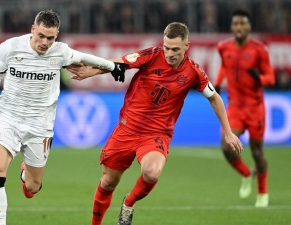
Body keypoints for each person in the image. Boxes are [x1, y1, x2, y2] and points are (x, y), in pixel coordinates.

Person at [67, 22, 244, 225]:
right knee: (108, 182)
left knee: (151, 173)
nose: (169, 53)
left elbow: (215, 98)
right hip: (127, 128)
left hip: (156, 134)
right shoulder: (151, 55)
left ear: (187, 46)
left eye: (175, 49)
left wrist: (228, 132)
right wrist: (92, 71)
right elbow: (120, 63)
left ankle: (129, 203)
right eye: (167, 47)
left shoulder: (194, 72)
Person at [0, 10, 127, 225]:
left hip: (40, 125)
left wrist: (112, 66)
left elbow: (85, 57)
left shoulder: (60, 52)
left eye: (50, 38)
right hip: (7, 117)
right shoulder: (10, 47)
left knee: (33, 187)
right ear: (33, 29)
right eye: (41, 36)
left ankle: (26, 175)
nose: (45, 42)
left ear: (56, 35)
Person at [213, 9, 275, 207]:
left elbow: (271, 77)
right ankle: (247, 174)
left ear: (248, 26)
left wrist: (260, 78)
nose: (239, 27)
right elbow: (224, 65)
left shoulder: (259, 50)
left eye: (243, 24)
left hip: (255, 108)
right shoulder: (224, 47)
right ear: (232, 27)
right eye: (236, 24)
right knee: (225, 145)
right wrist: (217, 82)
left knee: (257, 152)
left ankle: (262, 193)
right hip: (235, 107)